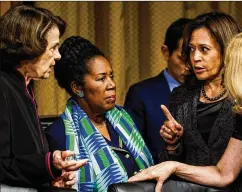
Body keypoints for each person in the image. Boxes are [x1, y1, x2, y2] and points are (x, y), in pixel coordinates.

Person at [129, 12, 242, 192]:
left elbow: (226, 173)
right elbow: (219, 173)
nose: (196, 57)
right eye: (192, 49)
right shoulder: (181, 96)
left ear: (226, 49)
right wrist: (173, 144)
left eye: (204, 49)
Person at [45, 36, 154, 192]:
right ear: (77, 88)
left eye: (111, 76)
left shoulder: (125, 118)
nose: (112, 85)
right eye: (101, 78)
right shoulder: (58, 135)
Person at [0, 5, 87, 191]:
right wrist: (49, 163)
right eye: (53, 48)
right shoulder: (3, 87)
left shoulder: (23, 86)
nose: (58, 56)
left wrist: (52, 176)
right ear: (30, 47)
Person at [124, 18, 192, 163]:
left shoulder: (208, 92)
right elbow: (133, 151)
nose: (188, 67)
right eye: (182, 58)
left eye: (192, 59)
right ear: (166, 52)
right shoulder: (141, 94)